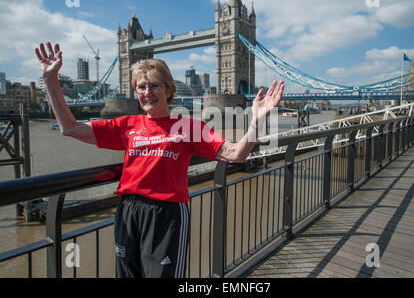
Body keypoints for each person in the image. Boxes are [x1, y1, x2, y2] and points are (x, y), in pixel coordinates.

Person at [35, 42, 284, 278]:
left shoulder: (187, 126)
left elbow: (236, 154)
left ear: (168, 90)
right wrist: (50, 79)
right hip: (129, 210)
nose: (147, 93)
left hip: (167, 214)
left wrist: (256, 120)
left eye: (154, 86)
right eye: (141, 87)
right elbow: (69, 127)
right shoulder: (127, 125)